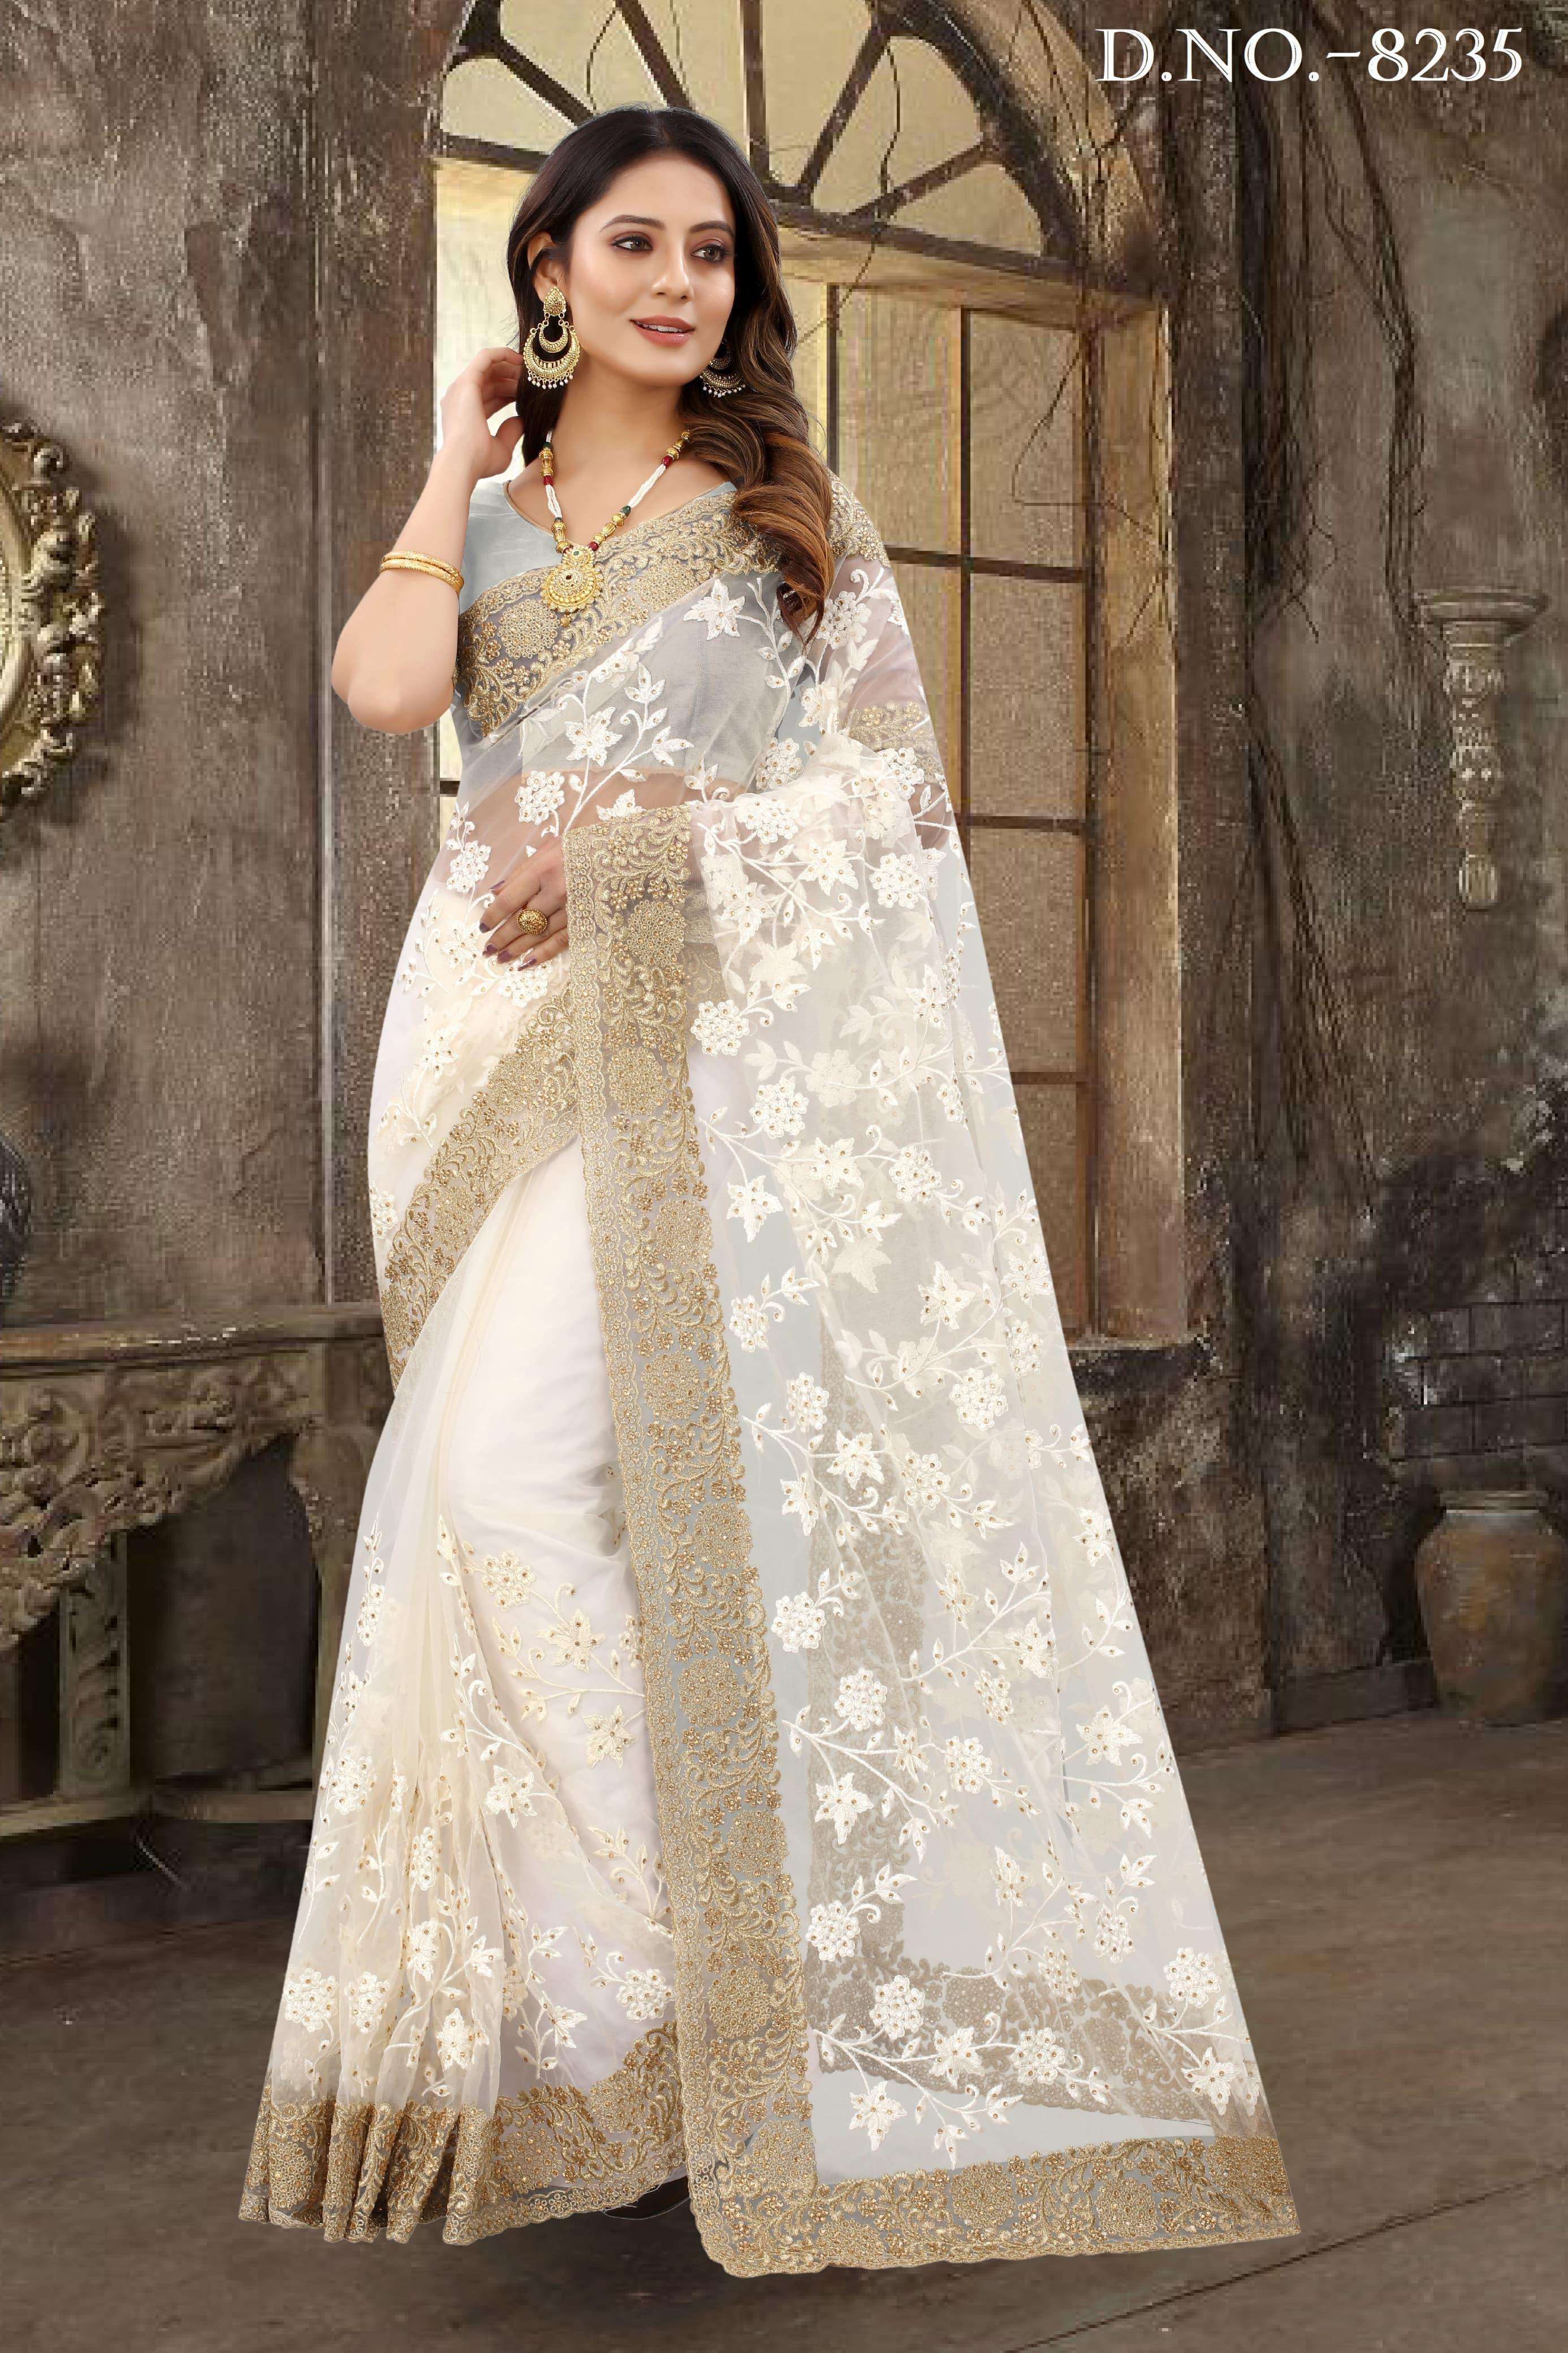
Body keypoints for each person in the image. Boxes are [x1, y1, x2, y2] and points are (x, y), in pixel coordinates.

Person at [241, 102, 1299, 2277]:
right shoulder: (494, 515)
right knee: (496, 1501)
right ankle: (657, 2013)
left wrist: (644, 839)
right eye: (632, 244)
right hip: (483, 1051)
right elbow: (384, 692)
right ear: (550, 268)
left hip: (702, 1049)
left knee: (559, 1490)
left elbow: (895, 807)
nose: (676, 283)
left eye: (711, 253)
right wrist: (454, 455)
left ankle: (706, 1993)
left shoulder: (785, 519)